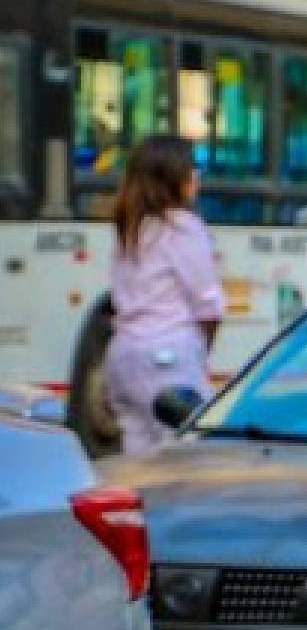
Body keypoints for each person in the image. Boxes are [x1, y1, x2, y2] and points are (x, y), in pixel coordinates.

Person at [105, 135, 225, 456]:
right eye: (191, 168)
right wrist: (200, 353)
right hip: (168, 361)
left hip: (123, 358)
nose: (197, 176)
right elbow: (208, 306)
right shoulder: (183, 226)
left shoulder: (129, 226)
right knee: (185, 461)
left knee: (138, 465)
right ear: (173, 177)